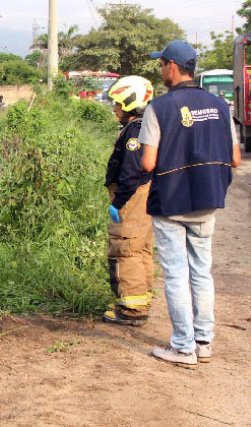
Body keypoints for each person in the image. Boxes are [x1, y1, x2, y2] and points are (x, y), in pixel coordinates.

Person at [140, 40, 242, 366]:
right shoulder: (220, 106)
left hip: (171, 202)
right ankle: (203, 342)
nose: (160, 70)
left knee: (175, 275)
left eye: (161, 64)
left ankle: (183, 347)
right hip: (208, 200)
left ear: (172, 66)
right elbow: (236, 158)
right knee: (201, 272)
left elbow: (147, 164)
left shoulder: (158, 108)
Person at [102, 75, 155, 326]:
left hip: (132, 197)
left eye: (117, 104)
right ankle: (140, 301)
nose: (115, 108)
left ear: (129, 102)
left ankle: (132, 311)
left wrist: (118, 202)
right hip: (145, 195)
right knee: (141, 248)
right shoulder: (145, 125)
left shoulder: (135, 129)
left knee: (126, 248)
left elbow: (131, 172)